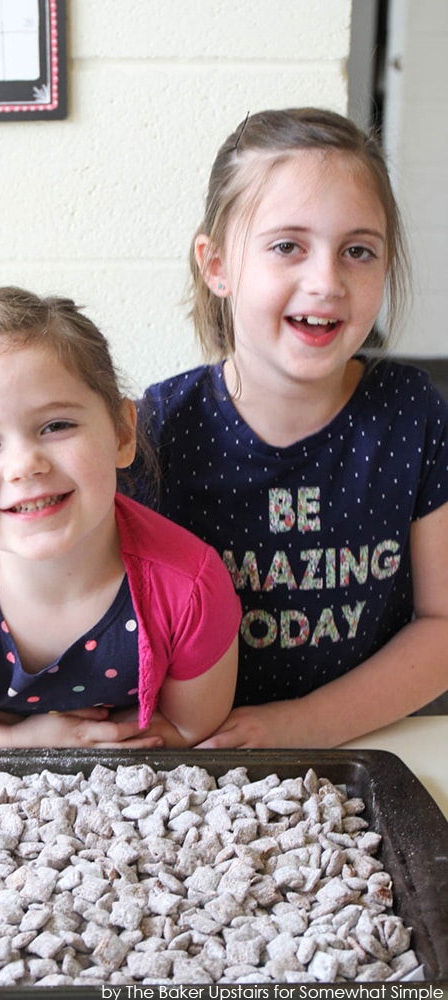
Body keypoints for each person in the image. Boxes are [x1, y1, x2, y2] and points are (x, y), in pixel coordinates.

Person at [138, 107, 448, 748]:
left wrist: (305, 724)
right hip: (205, 765)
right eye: (288, 246)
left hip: (382, 742)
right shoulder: (157, 430)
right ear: (216, 264)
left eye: (358, 251)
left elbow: (443, 623)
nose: (327, 281)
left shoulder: (414, 414)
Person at [0, 287, 240, 748]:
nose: (25, 465)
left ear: (121, 433)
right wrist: (18, 744)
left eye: (56, 426)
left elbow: (191, 727)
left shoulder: (189, 588)